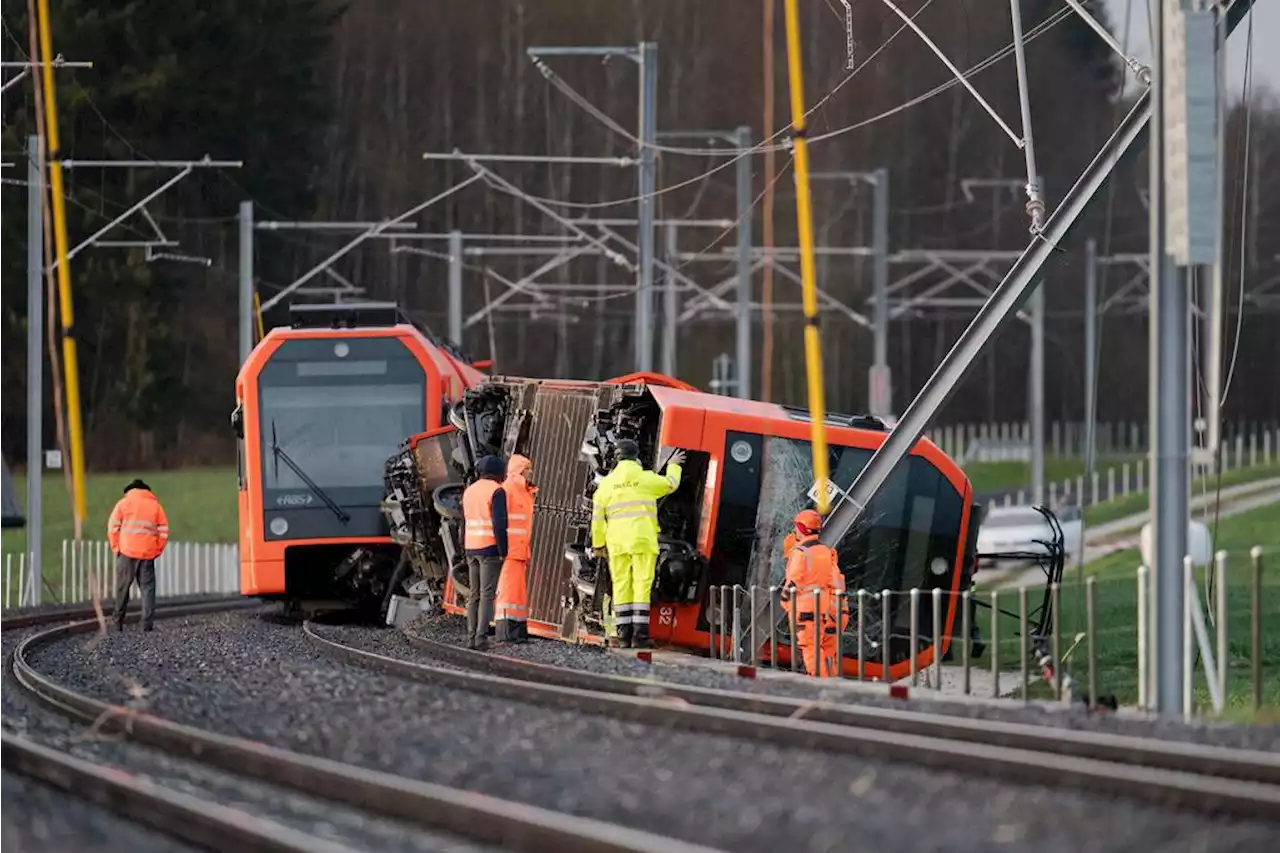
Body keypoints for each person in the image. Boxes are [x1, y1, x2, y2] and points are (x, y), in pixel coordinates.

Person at [590, 439, 684, 650]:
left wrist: (598, 545)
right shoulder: (645, 478)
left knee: (622, 585)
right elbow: (671, 483)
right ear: (636, 456)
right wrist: (675, 464)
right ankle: (640, 636)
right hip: (642, 539)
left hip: (616, 542)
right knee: (642, 584)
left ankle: (623, 636)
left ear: (617, 458)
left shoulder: (606, 484)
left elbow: (597, 519)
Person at [782, 508, 847, 678]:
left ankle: (819, 684)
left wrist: (785, 600)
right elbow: (832, 584)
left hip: (805, 607)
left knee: (810, 647)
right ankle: (829, 682)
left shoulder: (800, 552)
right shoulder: (825, 553)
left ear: (802, 529)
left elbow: (794, 581)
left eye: (797, 527)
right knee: (826, 651)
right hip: (826, 609)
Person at [107, 479, 169, 632]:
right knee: (148, 589)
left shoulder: (123, 504)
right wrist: (157, 550)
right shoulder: (155, 506)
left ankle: (116, 623)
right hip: (147, 553)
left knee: (122, 589)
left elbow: (113, 527)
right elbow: (164, 531)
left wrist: (116, 547)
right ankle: (146, 625)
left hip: (126, 552)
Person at [461, 454, 508, 651]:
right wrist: (503, 549)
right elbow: (499, 523)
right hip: (489, 548)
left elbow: (464, 521)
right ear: (499, 473)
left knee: (474, 594)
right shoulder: (497, 491)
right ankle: (481, 639)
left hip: (470, 546)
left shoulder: (469, 491)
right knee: (487, 594)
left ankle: (471, 637)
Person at [495, 454, 536, 644]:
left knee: (516, 594)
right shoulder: (509, 490)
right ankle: (506, 632)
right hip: (511, 551)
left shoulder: (523, 491)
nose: (531, 472)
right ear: (520, 471)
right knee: (509, 593)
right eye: (528, 469)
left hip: (518, 551)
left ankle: (517, 632)